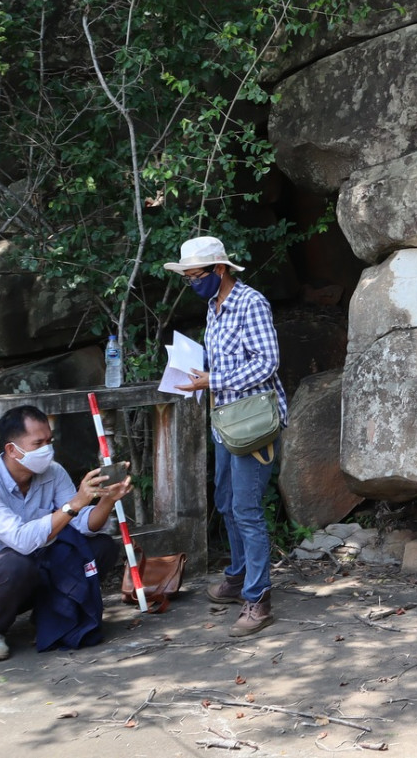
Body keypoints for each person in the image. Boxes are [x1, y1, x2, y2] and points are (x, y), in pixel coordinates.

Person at [166, 235, 286, 637]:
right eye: (188, 278)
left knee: (247, 508)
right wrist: (192, 371)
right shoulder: (213, 308)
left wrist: (212, 379)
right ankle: (238, 576)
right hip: (225, 419)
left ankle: (258, 598)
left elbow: (267, 363)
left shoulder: (249, 303)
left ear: (219, 269)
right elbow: (221, 361)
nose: (192, 283)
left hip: (252, 422)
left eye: (196, 275)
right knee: (226, 500)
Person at [0, 404, 132, 662]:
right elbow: (22, 542)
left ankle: (50, 615)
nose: (47, 449)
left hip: (36, 569)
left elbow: (81, 525)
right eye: (38, 443)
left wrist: (106, 501)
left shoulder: (53, 472)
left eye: (50, 441)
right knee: (14, 564)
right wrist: (75, 504)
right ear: (12, 450)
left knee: (101, 548)